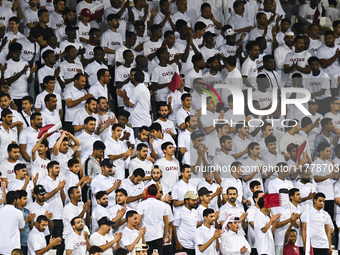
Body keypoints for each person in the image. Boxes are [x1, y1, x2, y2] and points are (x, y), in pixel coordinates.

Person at [137, 184, 169, 254]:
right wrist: (164, 237)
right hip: (158, 236)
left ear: (147, 192)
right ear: (157, 193)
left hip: (146, 237)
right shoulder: (163, 205)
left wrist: (138, 236)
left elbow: (138, 222)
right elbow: (167, 223)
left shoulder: (142, 204)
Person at [173, 191, 201, 255]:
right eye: (193, 200)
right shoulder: (179, 212)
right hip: (183, 245)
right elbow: (174, 228)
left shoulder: (195, 212)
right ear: (187, 201)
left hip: (194, 245)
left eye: (196, 200)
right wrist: (177, 242)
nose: (195, 202)